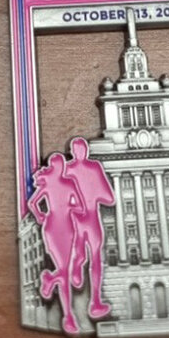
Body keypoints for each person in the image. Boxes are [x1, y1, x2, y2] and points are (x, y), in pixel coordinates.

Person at [28, 153, 85, 335]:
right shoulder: (63, 184)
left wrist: (41, 216)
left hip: (59, 227)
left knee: (65, 270)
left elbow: (33, 204)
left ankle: (51, 280)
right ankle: (68, 317)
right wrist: (68, 207)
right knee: (66, 272)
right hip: (57, 228)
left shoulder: (57, 184)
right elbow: (80, 207)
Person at [65, 136, 116, 319]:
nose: (81, 152)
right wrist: (74, 203)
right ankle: (77, 264)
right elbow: (62, 196)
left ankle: (96, 301)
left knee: (96, 258)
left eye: (84, 149)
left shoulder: (95, 168)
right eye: (78, 149)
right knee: (81, 253)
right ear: (72, 151)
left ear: (87, 151)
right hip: (76, 219)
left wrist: (95, 195)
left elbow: (109, 197)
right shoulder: (67, 170)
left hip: (93, 217)